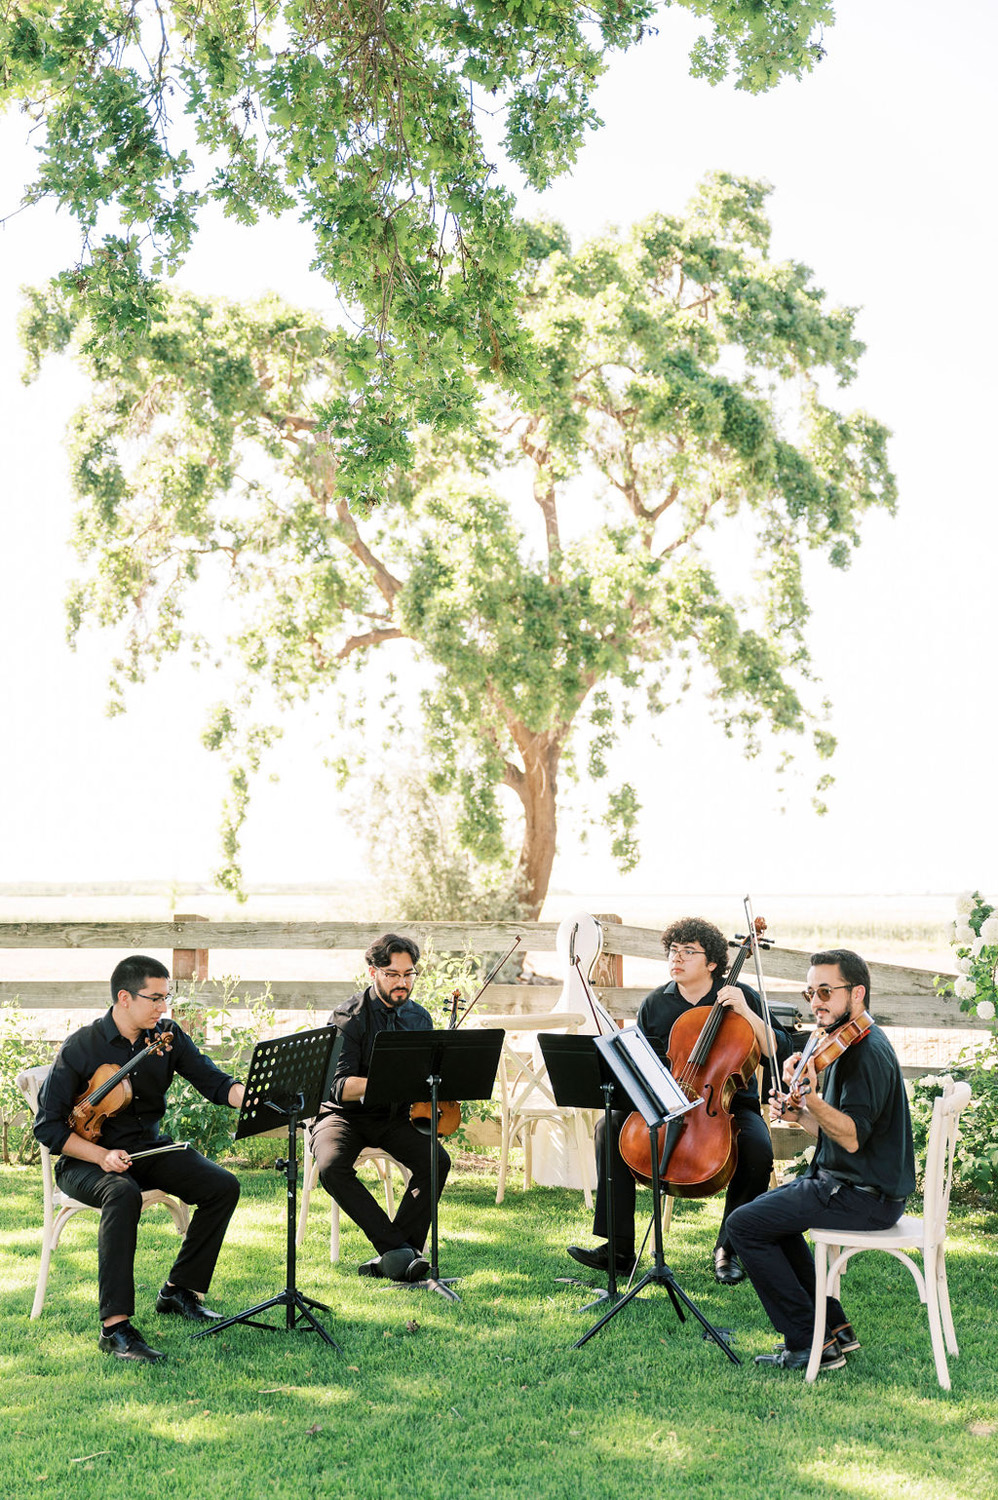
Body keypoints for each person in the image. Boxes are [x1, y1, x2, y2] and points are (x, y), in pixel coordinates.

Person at [34, 955, 245, 1364]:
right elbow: (49, 1128)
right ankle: (115, 1329)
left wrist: (254, 1098)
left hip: (147, 1149)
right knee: (122, 1193)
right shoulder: (83, 1045)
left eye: (167, 997)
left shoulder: (165, 1036)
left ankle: (179, 1290)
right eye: (156, 998)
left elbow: (213, 1081)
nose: (164, 1007)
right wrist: (100, 1153)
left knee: (222, 1186)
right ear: (125, 998)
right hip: (85, 1161)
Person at [568, 916, 790, 1284]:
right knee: (609, 1126)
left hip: (728, 1105)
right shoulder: (657, 1002)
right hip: (668, 1100)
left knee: (757, 1149)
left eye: (689, 952)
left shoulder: (740, 995)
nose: (678, 958)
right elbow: (640, 1061)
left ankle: (729, 1249)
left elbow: (778, 1052)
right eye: (674, 950)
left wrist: (746, 1013)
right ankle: (619, 1247)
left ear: (713, 963)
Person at [727, 948, 916, 1373]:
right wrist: (800, 1115)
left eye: (827, 992)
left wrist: (809, 1097)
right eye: (811, 992)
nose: (816, 1003)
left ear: (858, 993)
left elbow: (850, 1138)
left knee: (744, 1226)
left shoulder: (865, 1053)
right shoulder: (848, 1044)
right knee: (765, 1219)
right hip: (848, 1182)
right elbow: (836, 1131)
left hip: (863, 1195)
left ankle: (807, 1343)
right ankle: (833, 1327)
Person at [309, 932, 450, 1282]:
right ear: (373, 973)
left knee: (437, 1160)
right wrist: (389, 1083)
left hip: (392, 1116)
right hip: (341, 1116)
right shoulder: (348, 1017)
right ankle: (396, 1249)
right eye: (393, 974)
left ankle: (400, 1254)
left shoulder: (419, 1018)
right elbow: (339, 1086)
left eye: (408, 974)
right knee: (331, 1166)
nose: (402, 982)